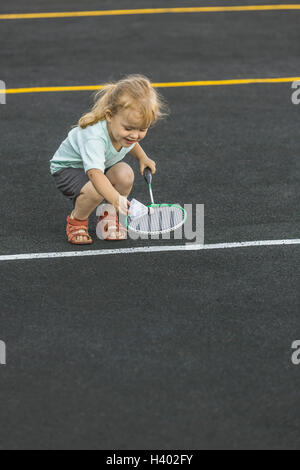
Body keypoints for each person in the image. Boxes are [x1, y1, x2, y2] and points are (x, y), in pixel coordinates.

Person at [50, 74, 166, 244]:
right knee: (96, 190)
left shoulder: (122, 132)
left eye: (142, 129)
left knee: (125, 174)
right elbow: (95, 174)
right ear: (109, 116)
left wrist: (142, 157)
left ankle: (107, 217)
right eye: (129, 128)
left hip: (98, 166)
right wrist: (115, 198)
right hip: (69, 169)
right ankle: (77, 220)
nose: (135, 135)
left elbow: (130, 143)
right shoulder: (94, 137)